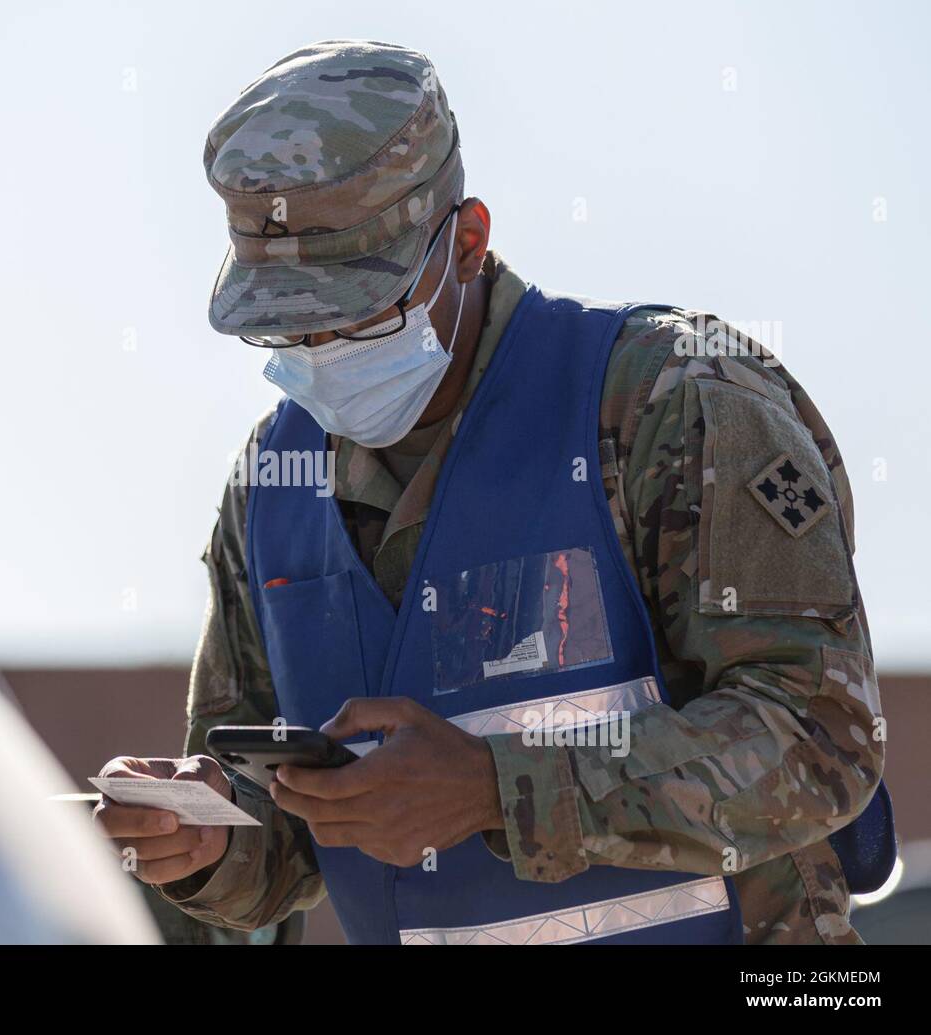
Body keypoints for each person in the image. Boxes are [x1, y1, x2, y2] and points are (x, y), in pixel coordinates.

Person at [94, 39, 888, 945]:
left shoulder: (674, 402)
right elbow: (281, 840)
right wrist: (201, 842)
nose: (319, 351)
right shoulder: (270, 492)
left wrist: (492, 787)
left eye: (359, 311)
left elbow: (823, 735)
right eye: (286, 326)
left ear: (466, 242)